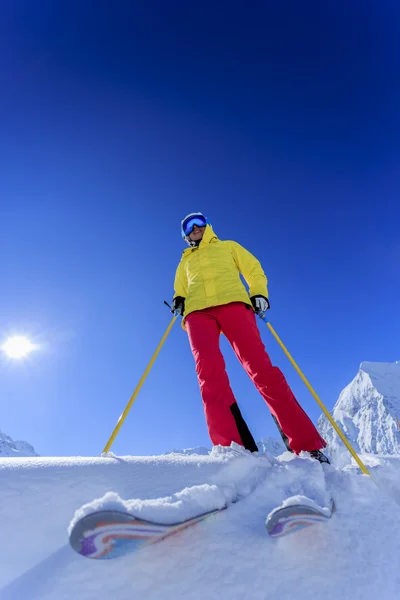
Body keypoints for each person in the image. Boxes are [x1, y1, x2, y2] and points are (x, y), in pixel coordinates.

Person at [171, 212, 329, 463]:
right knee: (208, 376)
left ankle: (307, 445)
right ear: (185, 235)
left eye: (199, 222)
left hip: (233, 303)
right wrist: (179, 299)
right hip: (197, 314)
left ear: (208, 225)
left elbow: (253, 269)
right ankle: (232, 448)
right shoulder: (184, 262)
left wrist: (259, 293)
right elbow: (180, 288)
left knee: (261, 369)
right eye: (188, 226)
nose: (195, 227)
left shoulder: (228, 246)